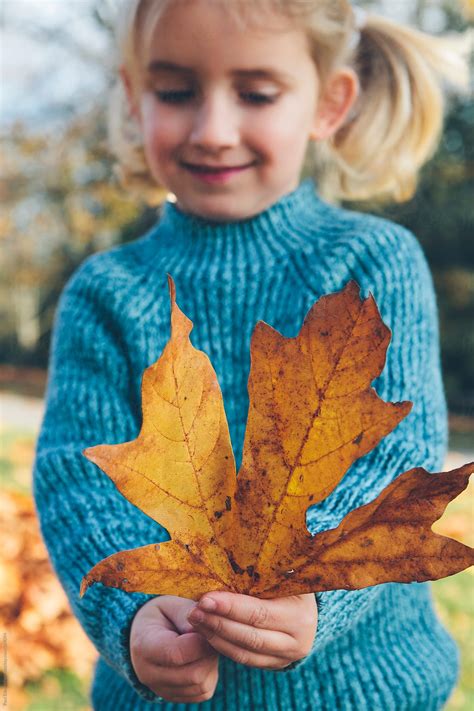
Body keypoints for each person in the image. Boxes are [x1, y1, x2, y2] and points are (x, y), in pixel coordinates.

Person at [33, 1, 470, 709]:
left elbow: (398, 459)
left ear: (328, 104)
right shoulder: (107, 294)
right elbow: (74, 479)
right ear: (132, 97)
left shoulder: (369, 264)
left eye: (256, 94)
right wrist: (132, 616)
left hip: (370, 692)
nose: (214, 129)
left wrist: (314, 581)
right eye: (175, 92)